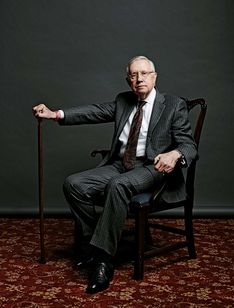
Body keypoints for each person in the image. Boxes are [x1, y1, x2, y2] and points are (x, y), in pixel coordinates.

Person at [33, 55, 197, 294]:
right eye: (134, 74)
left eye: (144, 73)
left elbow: (189, 146)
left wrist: (174, 155)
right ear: (128, 79)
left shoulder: (172, 104)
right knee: (74, 184)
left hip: (152, 168)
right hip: (121, 164)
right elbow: (94, 112)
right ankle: (95, 243)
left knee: (117, 186)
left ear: (154, 77)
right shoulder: (123, 101)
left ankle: (103, 259)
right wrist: (55, 114)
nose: (139, 78)